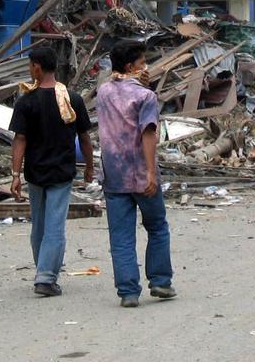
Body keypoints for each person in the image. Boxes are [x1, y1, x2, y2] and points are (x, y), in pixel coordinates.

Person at [95, 40, 175, 308]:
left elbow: (114, 83)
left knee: (121, 236)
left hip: (114, 175)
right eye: (142, 62)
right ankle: (161, 281)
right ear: (131, 66)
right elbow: (148, 133)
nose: (146, 67)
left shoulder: (103, 92)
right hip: (141, 173)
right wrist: (152, 172)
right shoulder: (146, 97)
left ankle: (128, 291)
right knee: (157, 226)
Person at [9, 46, 93, 298]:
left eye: (30, 65)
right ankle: (46, 277)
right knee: (55, 225)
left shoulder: (26, 101)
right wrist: (89, 166)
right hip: (62, 172)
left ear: (36, 67)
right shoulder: (72, 99)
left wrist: (15, 174)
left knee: (40, 225)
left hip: (35, 172)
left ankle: (43, 271)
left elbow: (20, 139)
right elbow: (85, 137)